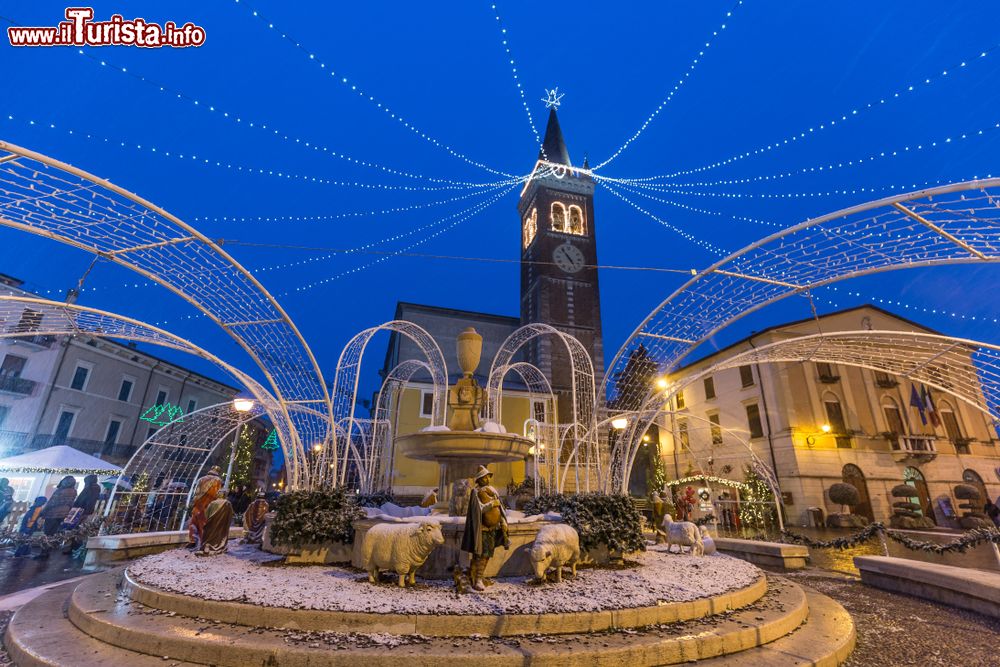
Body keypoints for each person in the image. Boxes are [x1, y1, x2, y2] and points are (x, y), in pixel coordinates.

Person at [460, 465, 510, 592]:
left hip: (493, 528)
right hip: (481, 529)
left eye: (488, 477)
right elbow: (479, 509)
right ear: (479, 479)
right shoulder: (476, 492)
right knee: (480, 554)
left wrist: (503, 521)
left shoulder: (492, 491)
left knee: (487, 555)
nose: (487, 479)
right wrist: (492, 504)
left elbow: (501, 509)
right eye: (484, 477)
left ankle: (480, 577)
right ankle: (476, 580)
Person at [36, 476, 77, 559]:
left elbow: (52, 503)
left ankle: (44, 553)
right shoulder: (74, 491)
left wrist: (42, 514)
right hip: (62, 514)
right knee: (53, 534)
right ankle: (48, 551)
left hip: (52, 514)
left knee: (47, 533)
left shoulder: (60, 491)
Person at [63, 474, 102, 554]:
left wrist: (82, 508)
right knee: (77, 529)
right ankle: (74, 546)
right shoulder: (94, 488)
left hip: (82, 511)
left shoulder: (90, 488)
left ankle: (71, 547)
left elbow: (86, 500)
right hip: (84, 510)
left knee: (74, 528)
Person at [188, 467, 223, 549]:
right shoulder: (217, 480)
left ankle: (192, 541)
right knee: (203, 525)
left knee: (193, 523)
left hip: (197, 505)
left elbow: (195, 492)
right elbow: (216, 494)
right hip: (207, 505)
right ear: (218, 471)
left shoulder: (201, 479)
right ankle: (202, 543)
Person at [197, 489, 234, 556]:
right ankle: (218, 546)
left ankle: (207, 545)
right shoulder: (227, 503)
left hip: (211, 523)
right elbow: (231, 514)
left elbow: (206, 514)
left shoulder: (212, 503)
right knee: (220, 535)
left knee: (209, 535)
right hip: (222, 524)